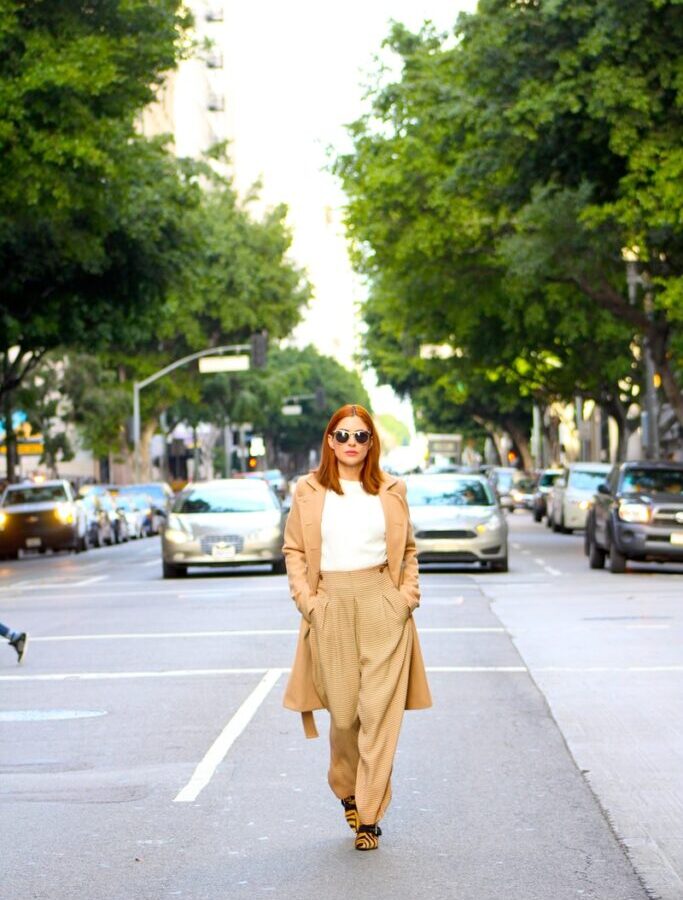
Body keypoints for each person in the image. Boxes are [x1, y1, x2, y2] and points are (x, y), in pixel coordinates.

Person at [282, 403, 431, 851]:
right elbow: (295, 550)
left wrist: (406, 598)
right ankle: (345, 784)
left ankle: (368, 813)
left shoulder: (391, 489)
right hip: (330, 604)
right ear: (330, 441)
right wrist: (308, 603)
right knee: (345, 713)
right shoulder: (308, 491)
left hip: (382, 601)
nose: (351, 444)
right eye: (343, 436)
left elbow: (407, 550)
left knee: (379, 712)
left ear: (372, 443)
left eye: (360, 436)